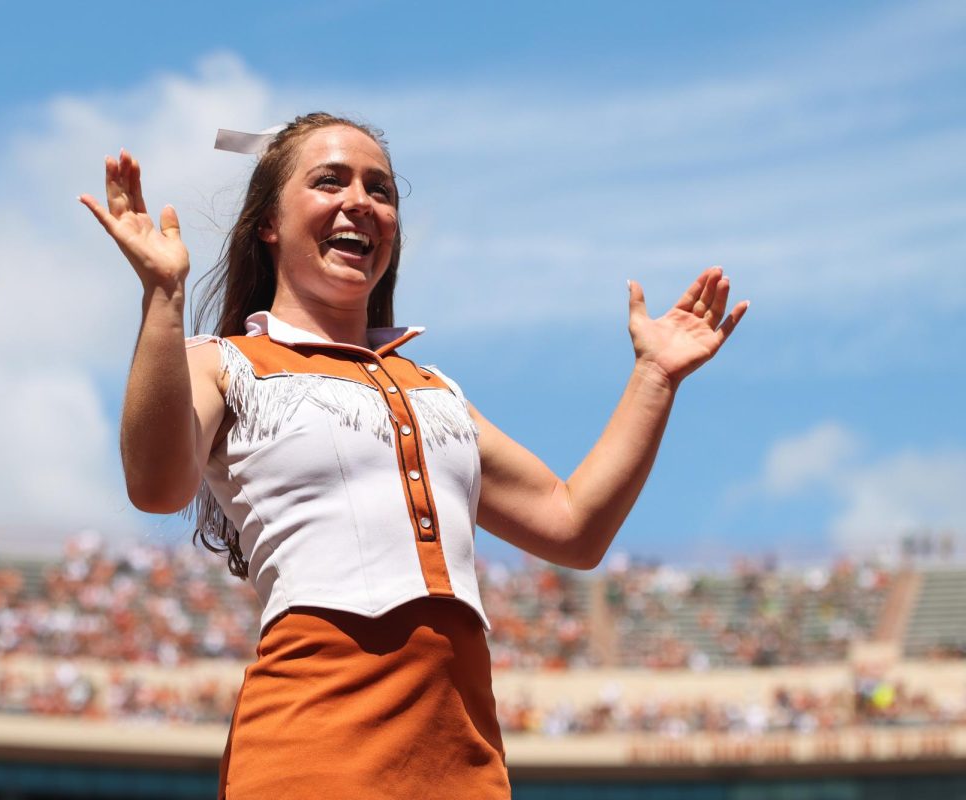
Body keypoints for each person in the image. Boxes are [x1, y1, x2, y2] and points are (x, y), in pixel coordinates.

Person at [80, 112, 748, 799]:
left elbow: (574, 527)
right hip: (310, 749)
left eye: (381, 190)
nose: (359, 203)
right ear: (268, 225)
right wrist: (163, 295)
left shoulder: (438, 393)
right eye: (329, 181)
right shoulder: (222, 364)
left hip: (463, 760)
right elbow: (157, 486)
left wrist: (655, 379)